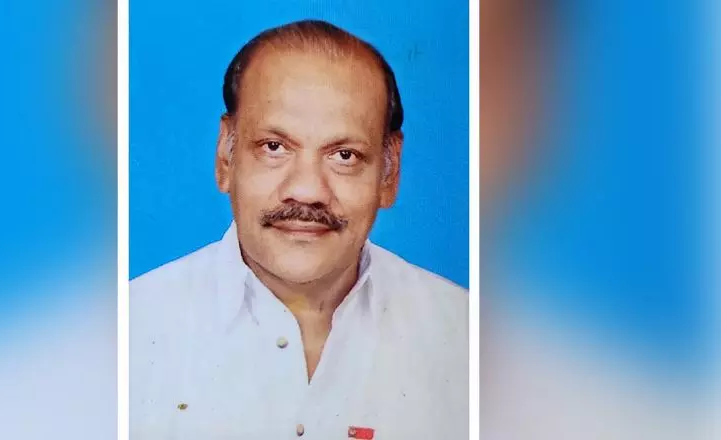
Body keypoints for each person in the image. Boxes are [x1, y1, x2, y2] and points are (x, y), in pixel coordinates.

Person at [130, 19, 468, 439]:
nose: (307, 191)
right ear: (226, 157)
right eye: (274, 147)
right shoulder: (125, 335)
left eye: (344, 155)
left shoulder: (469, 343)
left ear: (389, 172)